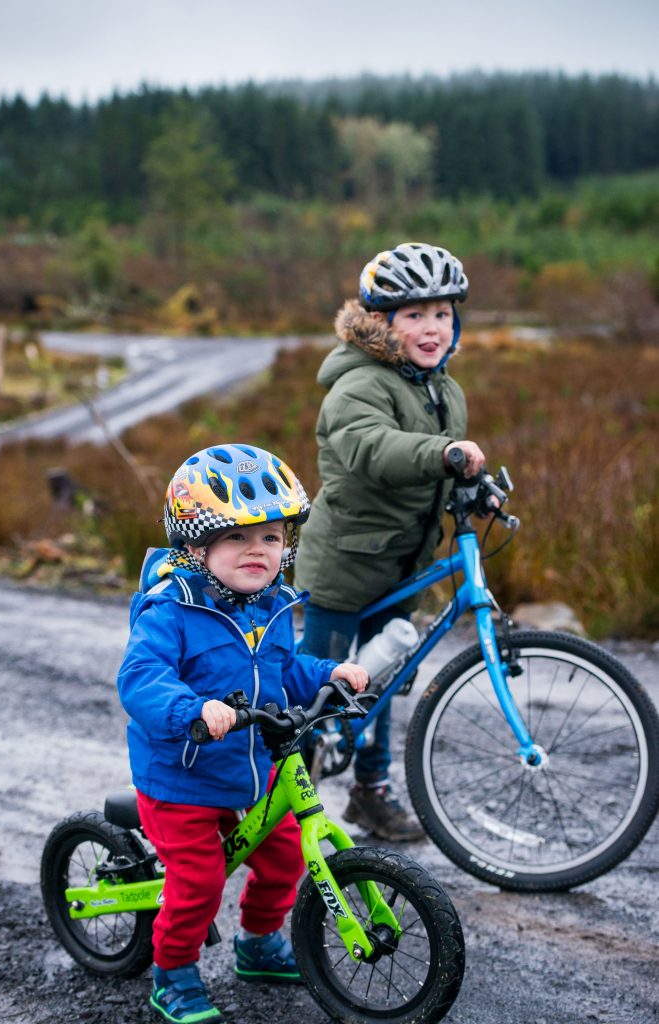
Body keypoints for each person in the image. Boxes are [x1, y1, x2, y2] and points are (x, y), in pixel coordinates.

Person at [117, 443, 368, 1024]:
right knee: (199, 883)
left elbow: (285, 671)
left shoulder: (271, 605)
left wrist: (328, 673)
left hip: (256, 768)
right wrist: (191, 709)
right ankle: (173, 972)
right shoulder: (170, 610)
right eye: (237, 537)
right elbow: (141, 678)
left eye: (272, 538)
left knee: (284, 858)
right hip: (183, 776)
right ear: (196, 546)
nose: (258, 550)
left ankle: (258, 944)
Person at [294, 241, 486, 843]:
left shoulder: (443, 389)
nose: (433, 328)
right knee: (318, 693)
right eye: (415, 314)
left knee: (380, 686)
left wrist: (473, 490)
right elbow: (372, 449)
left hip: (402, 564)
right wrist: (444, 453)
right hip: (344, 567)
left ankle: (369, 794)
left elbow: (434, 476)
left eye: (443, 314)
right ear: (381, 323)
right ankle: (280, 804)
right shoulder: (357, 385)